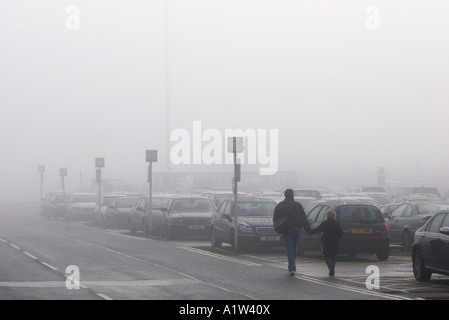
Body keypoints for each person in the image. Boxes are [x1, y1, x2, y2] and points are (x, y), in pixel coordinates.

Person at [273, 189, 311, 276]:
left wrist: (278, 228)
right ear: (293, 195)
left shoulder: (280, 206)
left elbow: (275, 219)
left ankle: (292, 268)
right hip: (297, 228)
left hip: (285, 229)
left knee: (289, 247)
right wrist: (308, 230)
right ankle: (292, 265)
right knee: (294, 247)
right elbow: (303, 219)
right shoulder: (298, 205)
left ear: (285, 195)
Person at [309, 210, 343, 277]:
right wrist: (337, 238)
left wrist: (310, 232)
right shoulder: (337, 224)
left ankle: (331, 266)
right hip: (335, 242)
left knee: (326, 255)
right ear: (334, 216)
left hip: (326, 242)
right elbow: (341, 234)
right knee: (333, 256)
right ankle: (332, 269)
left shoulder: (324, 223)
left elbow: (318, 230)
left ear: (327, 216)